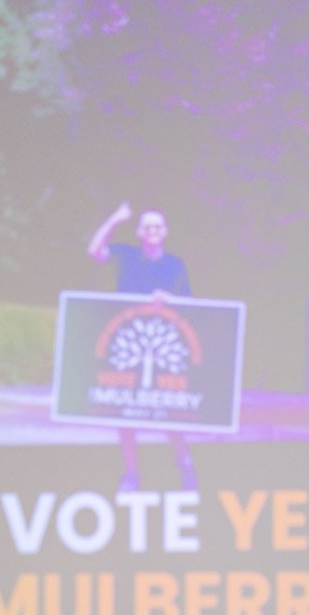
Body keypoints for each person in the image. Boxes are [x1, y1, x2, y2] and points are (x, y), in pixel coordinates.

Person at [86, 205, 197, 491]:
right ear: (138, 232)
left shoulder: (176, 265)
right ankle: (131, 474)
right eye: (147, 226)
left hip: (164, 344)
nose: (152, 231)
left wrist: (169, 298)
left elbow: (191, 304)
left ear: (166, 232)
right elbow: (95, 251)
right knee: (126, 413)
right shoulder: (126, 255)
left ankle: (185, 465)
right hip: (128, 339)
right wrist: (113, 219)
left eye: (158, 226)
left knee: (170, 411)